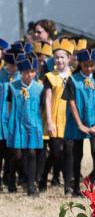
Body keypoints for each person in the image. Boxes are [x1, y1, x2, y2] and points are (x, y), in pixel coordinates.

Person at [63, 48, 95, 190]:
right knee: (77, 153)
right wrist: (80, 124)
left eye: (91, 65)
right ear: (80, 64)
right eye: (85, 65)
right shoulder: (73, 80)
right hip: (77, 122)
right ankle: (75, 187)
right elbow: (71, 103)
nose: (89, 68)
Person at [7, 56, 45, 195]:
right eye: (26, 72)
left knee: (32, 153)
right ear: (21, 72)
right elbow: (9, 105)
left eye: (32, 71)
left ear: (36, 72)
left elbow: (42, 107)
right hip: (17, 124)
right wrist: (12, 121)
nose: (29, 74)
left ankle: (31, 186)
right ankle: (11, 178)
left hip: (33, 124)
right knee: (17, 155)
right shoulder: (13, 86)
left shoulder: (39, 88)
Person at [41, 40, 73, 192]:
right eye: (57, 57)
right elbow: (47, 99)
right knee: (55, 153)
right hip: (54, 118)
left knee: (68, 152)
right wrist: (49, 121)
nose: (59, 60)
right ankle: (43, 177)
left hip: (69, 120)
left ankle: (68, 186)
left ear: (69, 58)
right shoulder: (49, 76)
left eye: (62, 57)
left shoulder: (74, 76)